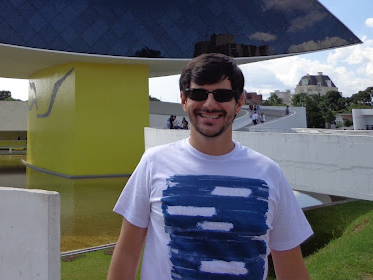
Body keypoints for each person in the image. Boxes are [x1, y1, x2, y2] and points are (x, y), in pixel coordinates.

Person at [108, 53, 312, 280]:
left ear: (239, 102)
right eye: (199, 93)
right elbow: (127, 252)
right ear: (184, 100)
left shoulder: (269, 173)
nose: (210, 103)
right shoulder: (153, 163)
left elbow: (290, 265)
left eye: (222, 95)